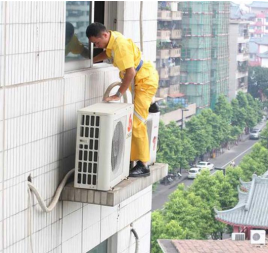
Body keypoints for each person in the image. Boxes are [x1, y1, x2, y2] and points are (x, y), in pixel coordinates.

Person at [86, 22, 159, 177]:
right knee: (138, 117)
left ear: (104, 35)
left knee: (137, 123)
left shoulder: (120, 45)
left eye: (97, 43)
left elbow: (130, 72)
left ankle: (142, 164)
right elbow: (108, 54)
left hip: (144, 81)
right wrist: (92, 60)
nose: (97, 46)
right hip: (141, 80)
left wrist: (118, 94)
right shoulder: (112, 39)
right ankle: (151, 104)